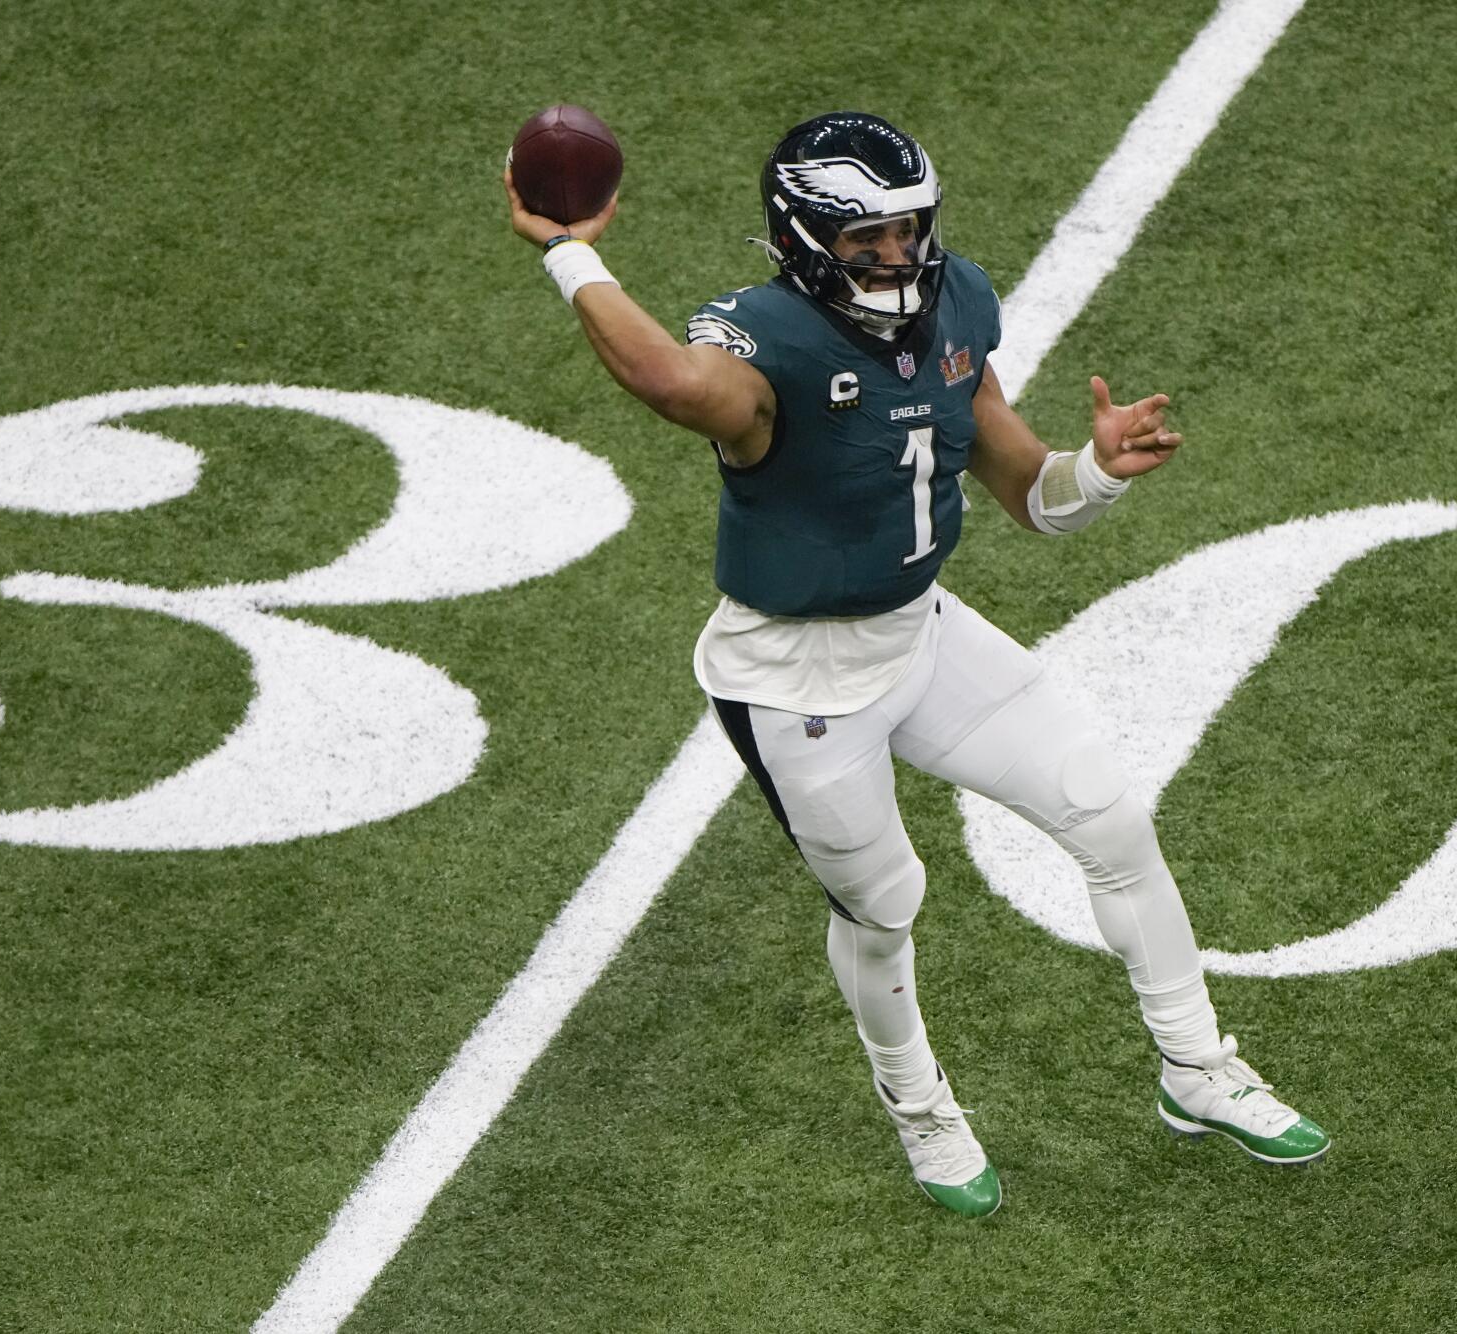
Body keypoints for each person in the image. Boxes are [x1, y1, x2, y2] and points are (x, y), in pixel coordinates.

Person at [504, 111, 1329, 1218]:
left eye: (908, 232)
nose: (896, 257)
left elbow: (1033, 497)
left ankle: (1195, 1066)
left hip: (920, 628)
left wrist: (1101, 468)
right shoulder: (764, 340)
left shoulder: (956, 307)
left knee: (1109, 814)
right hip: (794, 676)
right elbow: (671, 383)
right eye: (867, 240)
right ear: (803, 238)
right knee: (886, 903)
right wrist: (569, 250)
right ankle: (919, 1104)